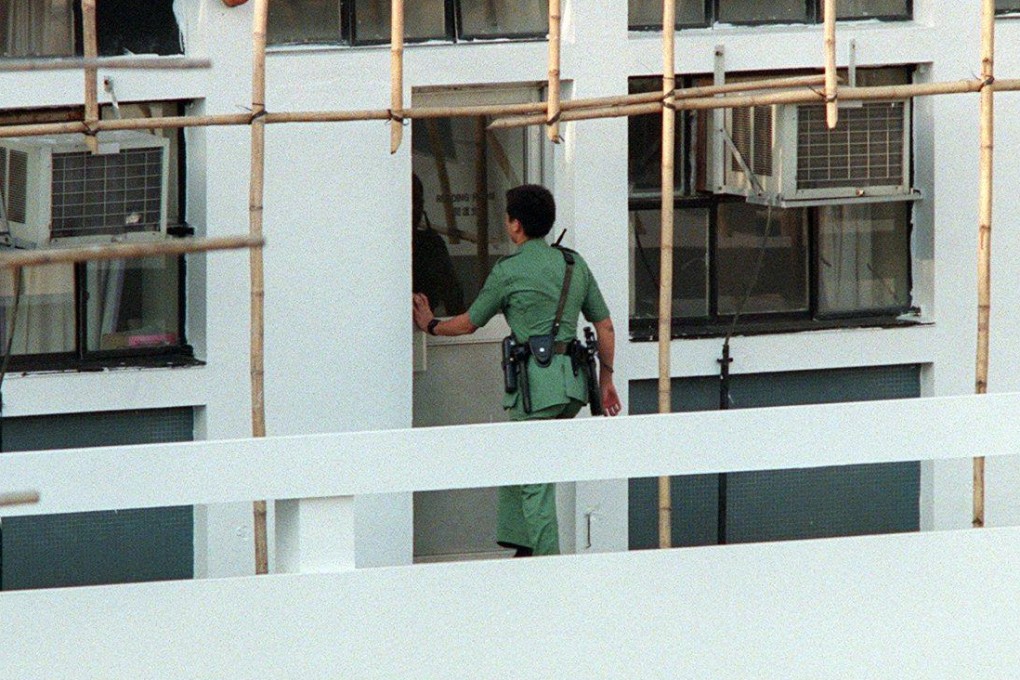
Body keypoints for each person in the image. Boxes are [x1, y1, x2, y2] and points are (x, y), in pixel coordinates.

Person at [412, 184, 621, 557]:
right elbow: (604, 325)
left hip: (533, 390)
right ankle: (522, 547)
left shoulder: (509, 271)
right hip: (572, 387)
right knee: (521, 460)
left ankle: (545, 567)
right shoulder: (573, 263)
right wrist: (606, 380)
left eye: (508, 217)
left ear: (516, 226)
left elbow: (469, 322)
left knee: (533, 481)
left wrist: (430, 324)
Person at [412, 173, 466, 316]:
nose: (414, 209)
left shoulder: (431, 244)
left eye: (418, 201)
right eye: (411, 200)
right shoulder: (378, 245)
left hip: (426, 326)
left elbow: (453, 294)